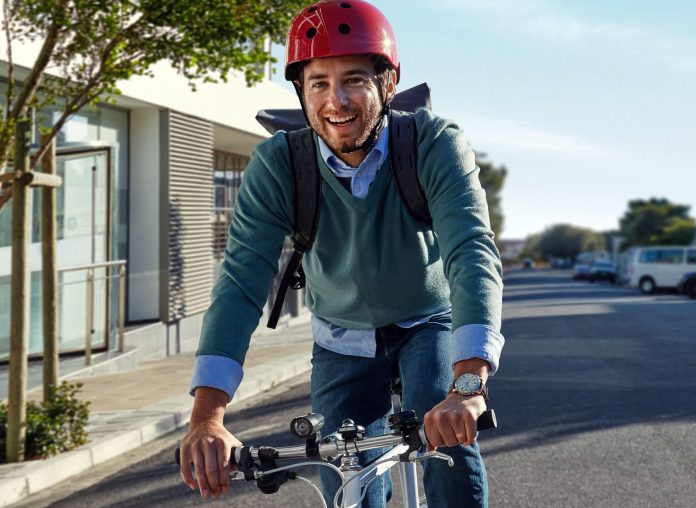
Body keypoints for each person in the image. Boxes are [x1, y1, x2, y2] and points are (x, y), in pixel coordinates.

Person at [178, 1, 504, 506]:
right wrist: (208, 418)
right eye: (318, 84)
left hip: (428, 320)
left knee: (449, 448)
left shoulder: (434, 144)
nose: (337, 102)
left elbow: (471, 252)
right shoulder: (279, 165)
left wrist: (467, 386)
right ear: (301, 91)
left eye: (354, 80)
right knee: (342, 471)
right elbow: (241, 282)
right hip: (340, 334)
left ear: (388, 84)